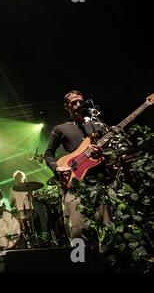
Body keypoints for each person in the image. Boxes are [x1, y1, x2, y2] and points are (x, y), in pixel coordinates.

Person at [44, 90, 111, 241]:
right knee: (77, 231)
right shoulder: (60, 128)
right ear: (66, 106)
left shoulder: (96, 125)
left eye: (80, 101)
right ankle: (81, 263)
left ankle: (107, 263)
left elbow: (109, 151)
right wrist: (56, 167)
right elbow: (48, 154)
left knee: (108, 229)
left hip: (99, 183)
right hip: (75, 184)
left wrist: (102, 152)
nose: (78, 104)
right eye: (73, 102)